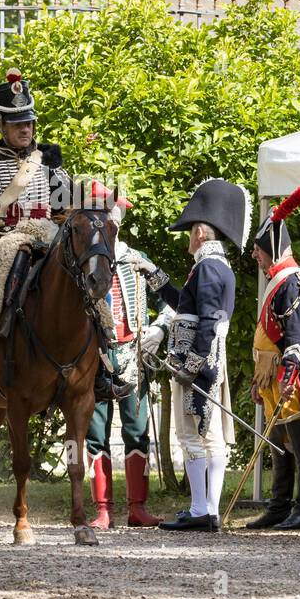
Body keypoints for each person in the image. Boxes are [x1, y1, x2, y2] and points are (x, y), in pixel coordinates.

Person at [0, 68, 126, 413]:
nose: (25, 130)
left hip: (50, 244)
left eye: (28, 123)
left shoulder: (51, 167)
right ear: (2, 127)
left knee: (91, 296)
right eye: (16, 124)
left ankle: (104, 369)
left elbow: (70, 211)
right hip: (5, 245)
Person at [85, 184, 177, 529]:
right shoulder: (89, 261)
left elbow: (171, 301)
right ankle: (103, 509)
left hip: (135, 355)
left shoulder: (139, 261)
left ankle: (137, 507)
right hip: (97, 355)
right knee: (96, 433)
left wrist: (160, 329)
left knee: (137, 431)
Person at [158, 178, 248, 532]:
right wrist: (155, 276)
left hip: (200, 362)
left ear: (199, 232)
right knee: (208, 435)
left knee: (193, 434)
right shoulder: (213, 266)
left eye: (190, 233)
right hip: (208, 361)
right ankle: (207, 510)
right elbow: (185, 304)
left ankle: (201, 509)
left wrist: (191, 367)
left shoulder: (208, 268)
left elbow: (208, 321)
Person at [245, 186, 300, 531]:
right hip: (273, 378)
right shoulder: (280, 280)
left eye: (260, 251)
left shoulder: (294, 282)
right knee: (278, 445)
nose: (256, 257)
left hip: (292, 377)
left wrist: (289, 375)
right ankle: (279, 506)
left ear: (273, 249)